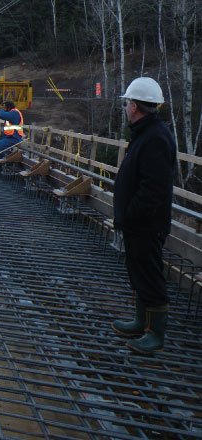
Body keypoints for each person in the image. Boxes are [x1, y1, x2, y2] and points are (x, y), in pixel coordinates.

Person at [112, 77, 176, 354]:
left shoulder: (155, 138)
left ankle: (155, 334)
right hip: (137, 223)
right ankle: (141, 321)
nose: (125, 108)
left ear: (135, 106)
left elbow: (153, 189)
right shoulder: (147, 133)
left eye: (126, 103)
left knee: (149, 275)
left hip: (145, 224)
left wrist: (130, 215)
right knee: (138, 273)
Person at [0, 100, 24, 176]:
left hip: (13, 138)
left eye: (4, 107)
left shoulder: (14, 113)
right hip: (7, 137)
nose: (3, 109)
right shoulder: (11, 112)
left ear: (8, 107)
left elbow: (2, 115)